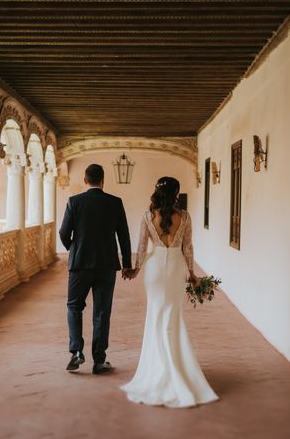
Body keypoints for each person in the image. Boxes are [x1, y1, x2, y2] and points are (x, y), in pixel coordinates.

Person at [121, 177, 218, 407]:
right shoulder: (184, 217)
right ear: (176, 193)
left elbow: (143, 247)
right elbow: (188, 247)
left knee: (155, 315)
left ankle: (156, 369)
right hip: (176, 268)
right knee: (173, 316)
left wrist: (136, 269)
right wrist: (193, 274)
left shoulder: (147, 216)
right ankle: (176, 367)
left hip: (154, 271)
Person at [59, 164, 133, 374]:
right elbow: (124, 236)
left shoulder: (74, 202)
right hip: (107, 265)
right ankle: (99, 361)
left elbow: (64, 233)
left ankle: (76, 352)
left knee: (74, 306)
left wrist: (73, 248)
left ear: (85, 180)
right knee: (102, 312)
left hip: (80, 265)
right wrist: (126, 264)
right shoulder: (115, 202)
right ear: (103, 180)